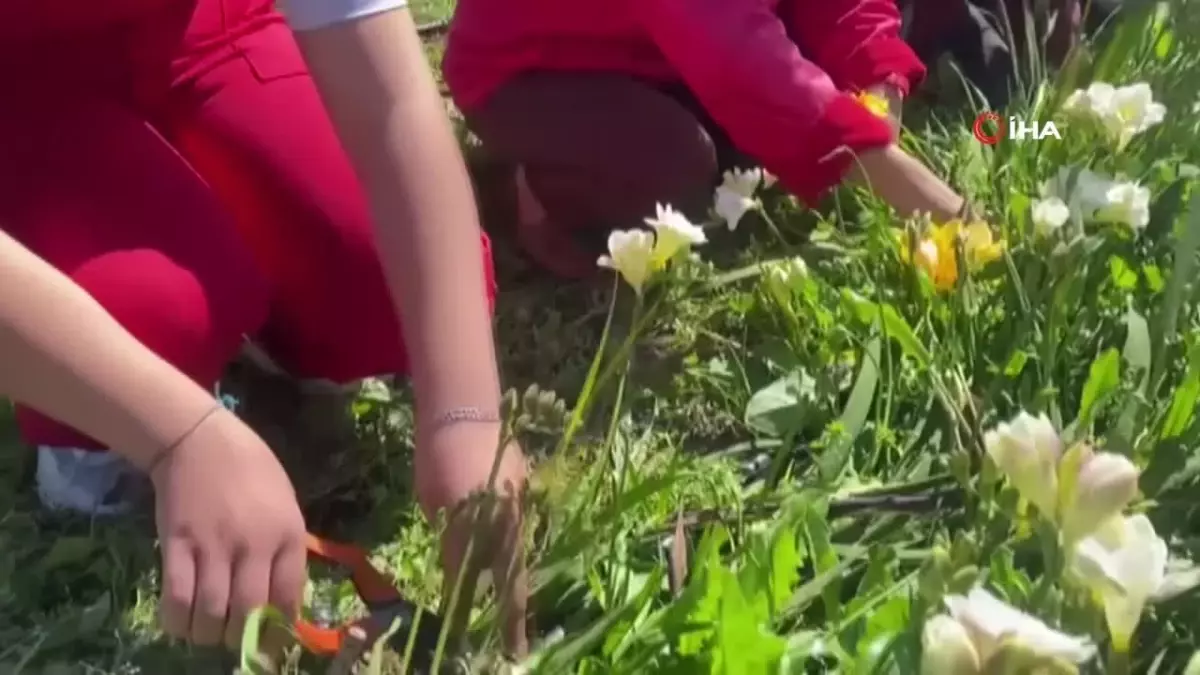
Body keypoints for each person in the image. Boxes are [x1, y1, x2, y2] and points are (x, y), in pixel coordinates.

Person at [0, 0, 526, 657]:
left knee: (378, 280)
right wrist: (174, 433)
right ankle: (95, 416)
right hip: (16, 83)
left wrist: (464, 414)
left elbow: (392, 102)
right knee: (153, 315)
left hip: (200, 28)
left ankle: (240, 298)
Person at [442, 0, 978, 279]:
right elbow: (742, 63)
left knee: (750, 156)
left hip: (653, 43)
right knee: (675, 172)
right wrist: (941, 207)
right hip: (533, 67)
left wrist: (877, 85)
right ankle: (510, 190)